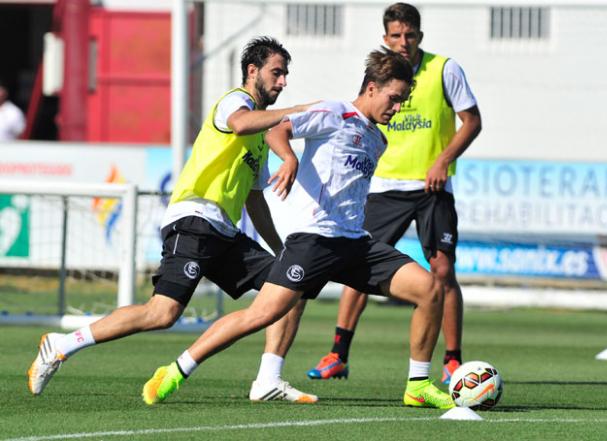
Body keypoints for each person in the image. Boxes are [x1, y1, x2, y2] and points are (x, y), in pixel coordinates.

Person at [141, 48, 455, 410]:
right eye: (394, 98)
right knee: (261, 314)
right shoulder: (336, 112)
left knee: (431, 289)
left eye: (402, 101)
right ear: (371, 88)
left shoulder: (378, 139)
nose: (397, 108)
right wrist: (289, 157)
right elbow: (279, 128)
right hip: (314, 241)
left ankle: (418, 384)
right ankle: (177, 370)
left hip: (355, 243)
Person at [27, 36, 317, 403]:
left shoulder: (259, 137)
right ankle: (61, 344)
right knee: (162, 313)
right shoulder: (235, 102)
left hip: (224, 232)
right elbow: (240, 124)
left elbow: (255, 201)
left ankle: (267, 380)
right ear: (252, 71)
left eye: (286, 75)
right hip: (195, 220)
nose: (283, 81)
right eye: (277, 73)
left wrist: (280, 250)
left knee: (291, 284)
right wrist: (298, 109)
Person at [307, 2, 482, 385]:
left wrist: (443, 160)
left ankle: (452, 360)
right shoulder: (381, 74)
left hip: (431, 187)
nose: (404, 42)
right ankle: (338, 353)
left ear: (421, 35)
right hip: (384, 188)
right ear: (385, 38)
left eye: (410, 35)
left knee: (442, 270)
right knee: (358, 267)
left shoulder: (444, 69)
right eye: (396, 36)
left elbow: (472, 121)